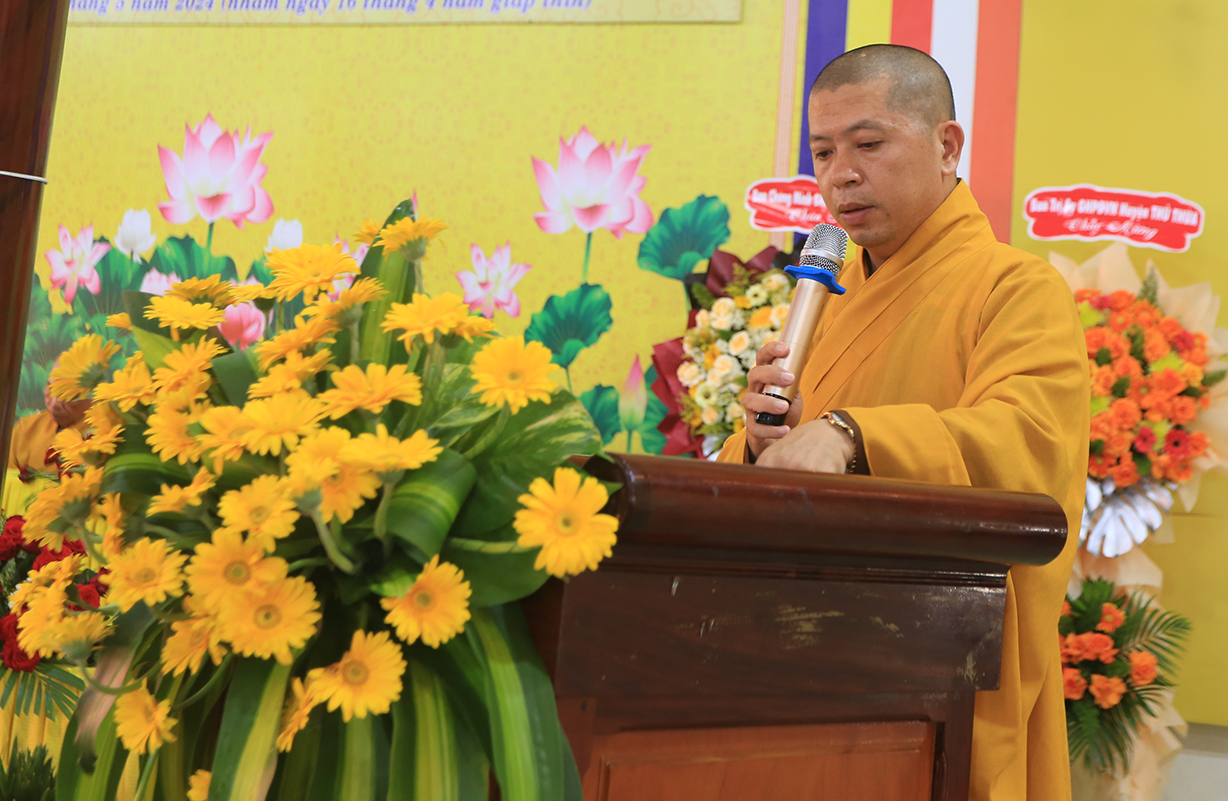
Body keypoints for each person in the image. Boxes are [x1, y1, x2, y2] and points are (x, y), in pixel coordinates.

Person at [719, 45, 1089, 801]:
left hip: (938, 666)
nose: (840, 176)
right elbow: (775, 474)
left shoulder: (1016, 289)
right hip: (800, 658)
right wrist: (759, 445)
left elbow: (1026, 444)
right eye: (823, 153)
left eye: (868, 143)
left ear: (947, 146)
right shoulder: (824, 303)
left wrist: (852, 436)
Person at [3, 377, 91, 516]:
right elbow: (8, 490)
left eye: (67, 394)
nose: (55, 403)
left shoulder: (104, 433)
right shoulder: (26, 428)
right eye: (50, 388)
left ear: (92, 395)